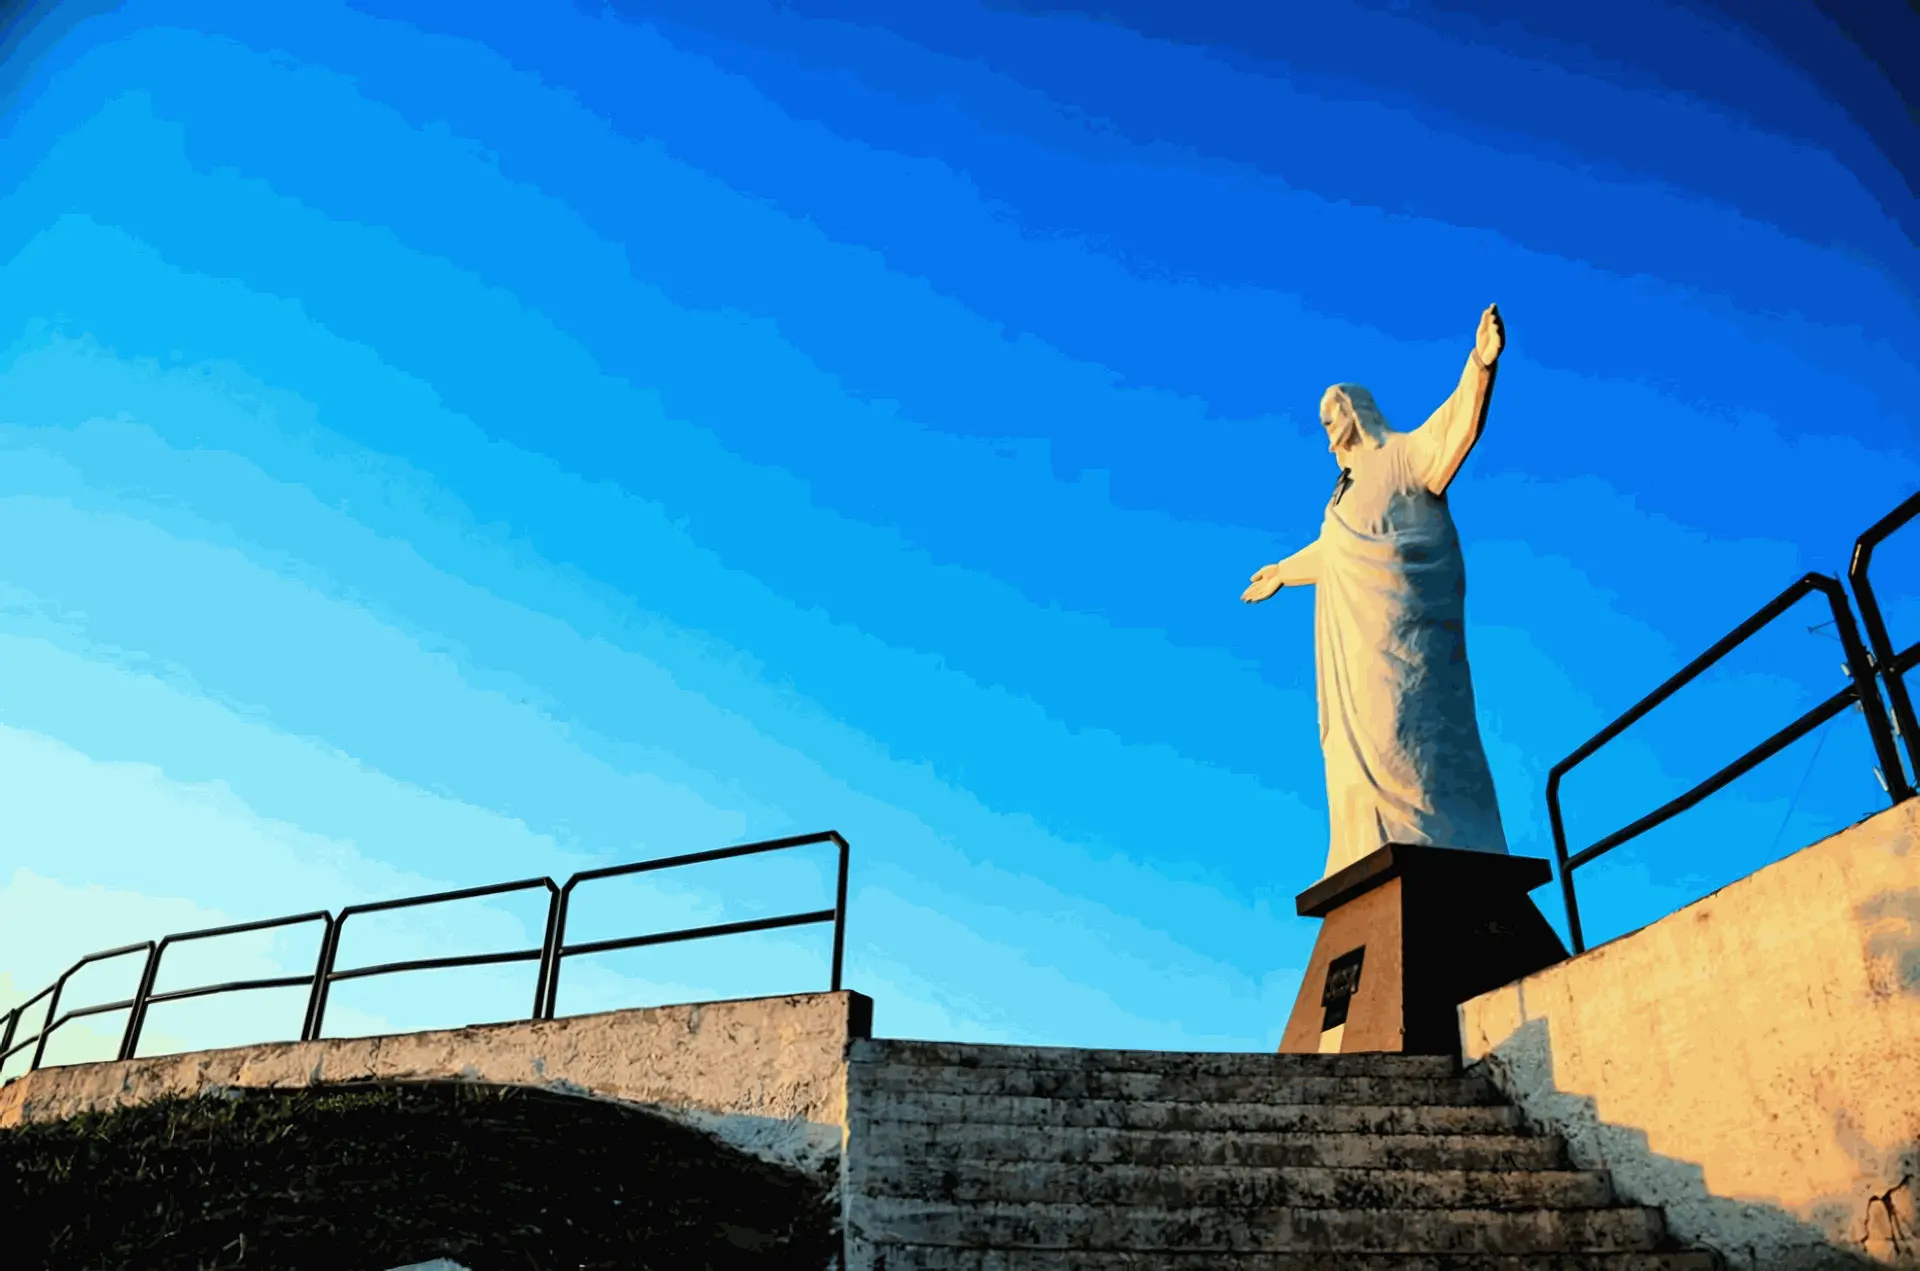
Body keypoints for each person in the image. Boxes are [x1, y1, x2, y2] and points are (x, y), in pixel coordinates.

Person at [1242, 305, 1510, 878]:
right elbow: (1337, 550)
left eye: (1330, 412)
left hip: (1407, 638)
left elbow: (1455, 427)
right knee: (1354, 744)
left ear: (1356, 412)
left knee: (1405, 729)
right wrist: (1283, 571)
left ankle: (1439, 837)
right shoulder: (1342, 496)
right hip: (1356, 644)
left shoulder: (1402, 457)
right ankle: (1365, 846)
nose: (1325, 425)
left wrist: (1481, 364)